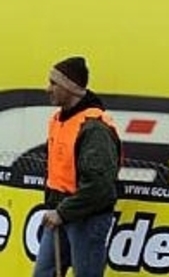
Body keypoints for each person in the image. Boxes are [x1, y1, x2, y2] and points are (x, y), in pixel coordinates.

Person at [34, 56, 122, 277]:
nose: (48, 89)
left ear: (70, 88)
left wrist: (62, 212)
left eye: (54, 83)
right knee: (44, 273)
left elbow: (99, 186)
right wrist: (57, 210)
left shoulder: (94, 128)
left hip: (87, 219)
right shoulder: (59, 120)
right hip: (61, 214)